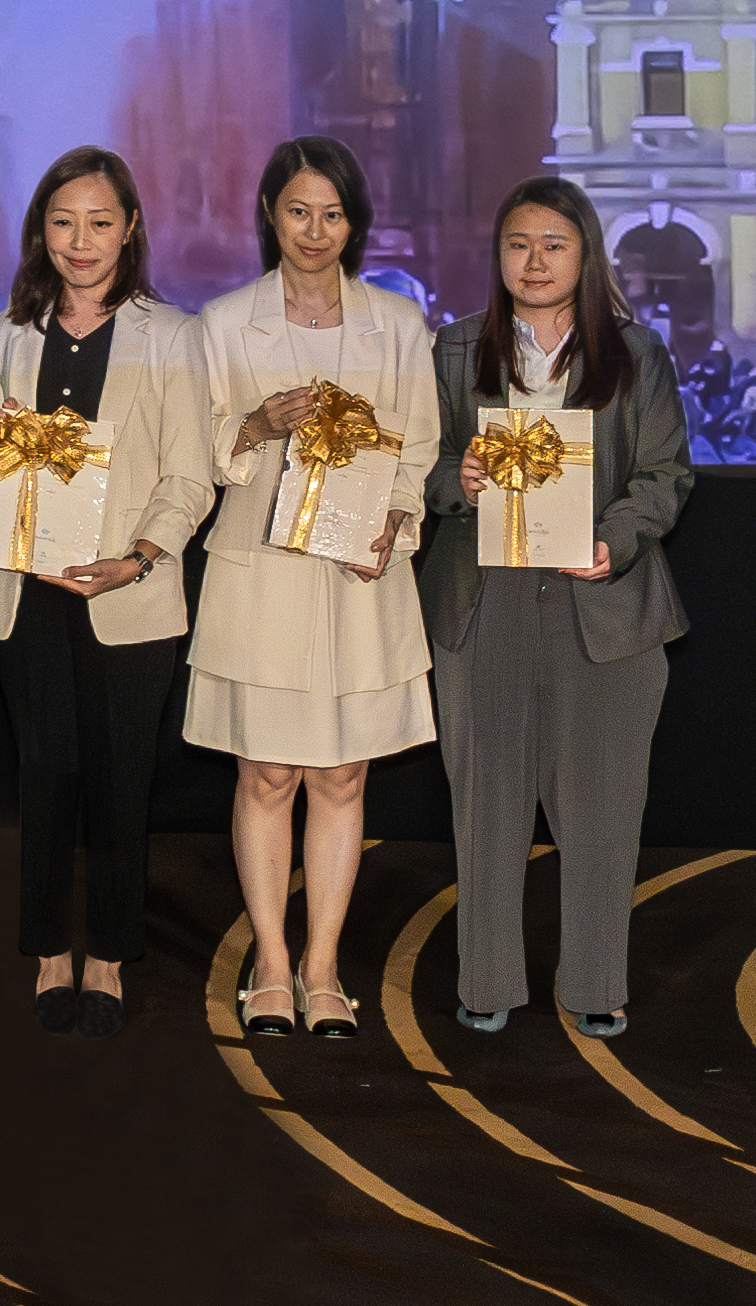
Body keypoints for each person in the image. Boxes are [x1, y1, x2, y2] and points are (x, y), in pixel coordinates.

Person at [426, 176, 692, 1039]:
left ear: (583, 254)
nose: (533, 261)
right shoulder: (454, 347)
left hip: (600, 596)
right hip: (484, 599)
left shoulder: (636, 352)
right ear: (496, 254)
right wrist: (455, 480)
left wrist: (615, 539)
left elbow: (663, 476)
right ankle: (487, 977)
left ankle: (592, 980)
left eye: (553, 244)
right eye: (516, 244)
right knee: (487, 802)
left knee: (603, 807)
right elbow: (421, 471)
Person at [185, 136, 440, 1040]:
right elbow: (200, 449)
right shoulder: (220, 324)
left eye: (332, 214)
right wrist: (255, 423)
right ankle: (270, 964)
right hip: (259, 572)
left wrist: (395, 526)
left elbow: (417, 451)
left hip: (358, 576)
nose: (315, 229)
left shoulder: (398, 325)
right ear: (269, 214)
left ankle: (324, 969)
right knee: (266, 773)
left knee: (338, 774)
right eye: (299, 211)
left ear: (352, 224)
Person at [0, 146, 212, 1037]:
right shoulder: (6, 334)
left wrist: (140, 555)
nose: (81, 240)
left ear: (130, 229)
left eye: (100, 221)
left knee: (120, 777)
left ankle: (108, 951)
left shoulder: (175, 335)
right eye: (64, 221)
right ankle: (47, 948)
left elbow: (191, 475)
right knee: (45, 773)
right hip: (27, 588)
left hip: (129, 592)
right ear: (41, 229)